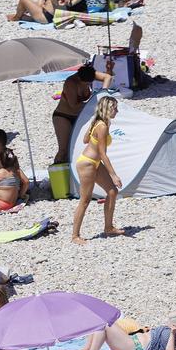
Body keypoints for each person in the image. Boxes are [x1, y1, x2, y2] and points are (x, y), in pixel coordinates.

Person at [71, 95, 123, 243]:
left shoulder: (101, 123)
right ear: (107, 109)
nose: (117, 111)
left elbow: (86, 140)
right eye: (115, 108)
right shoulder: (102, 126)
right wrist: (113, 175)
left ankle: (108, 227)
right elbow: (102, 153)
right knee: (85, 200)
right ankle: (75, 236)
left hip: (94, 162)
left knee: (112, 192)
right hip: (87, 163)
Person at [75, 318, 176, 350]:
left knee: (105, 324)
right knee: (100, 321)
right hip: (131, 341)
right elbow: (173, 317)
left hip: (135, 349)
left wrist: (173, 334)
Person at [52, 64, 105, 163]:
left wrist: (104, 91)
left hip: (78, 117)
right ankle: (57, 173)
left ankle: (71, 173)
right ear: (79, 78)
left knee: (75, 148)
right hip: (63, 116)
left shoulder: (89, 75)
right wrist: (93, 104)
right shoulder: (70, 83)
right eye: (86, 84)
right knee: (63, 150)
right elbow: (73, 105)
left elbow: (108, 77)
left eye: (89, 84)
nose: (88, 86)